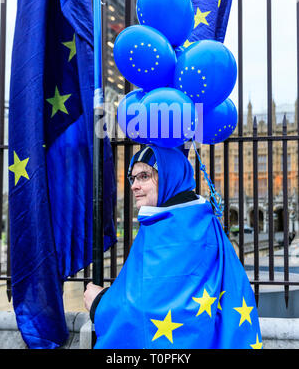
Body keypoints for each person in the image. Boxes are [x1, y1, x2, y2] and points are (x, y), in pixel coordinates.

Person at [84, 145, 262, 349]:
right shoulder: (186, 218)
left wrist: (100, 304)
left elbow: (154, 308)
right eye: (132, 178)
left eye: (144, 176)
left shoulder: (175, 229)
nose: (134, 185)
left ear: (170, 176)